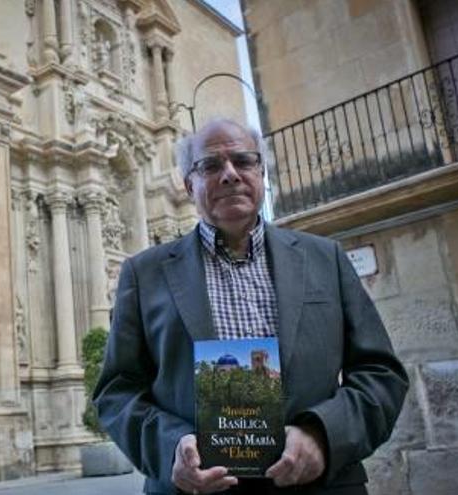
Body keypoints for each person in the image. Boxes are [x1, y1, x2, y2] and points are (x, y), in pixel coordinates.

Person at [92, 118, 408, 494]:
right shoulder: (144, 274)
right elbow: (117, 391)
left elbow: (381, 373)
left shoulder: (325, 259)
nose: (229, 174)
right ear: (187, 184)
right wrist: (171, 448)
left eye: (243, 161)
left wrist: (322, 436)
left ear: (262, 172)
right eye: (210, 166)